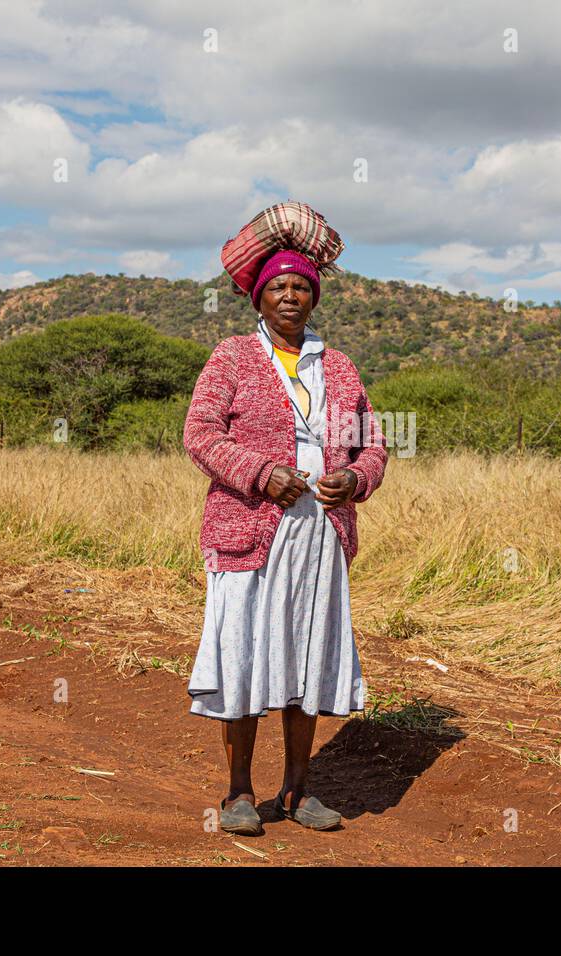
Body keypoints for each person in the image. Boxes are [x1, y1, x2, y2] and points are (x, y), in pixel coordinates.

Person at [182, 246, 388, 836]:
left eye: (301, 287)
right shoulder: (233, 359)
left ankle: (298, 790)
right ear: (260, 298)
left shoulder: (340, 367)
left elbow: (371, 445)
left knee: (308, 652)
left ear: (313, 297)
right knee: (244, 651)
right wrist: (257, 472)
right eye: (278, 288)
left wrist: (355, 479)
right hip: (249, 528)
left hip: (321, 530)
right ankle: (238, 793)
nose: (290, 296)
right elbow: (199, 434)